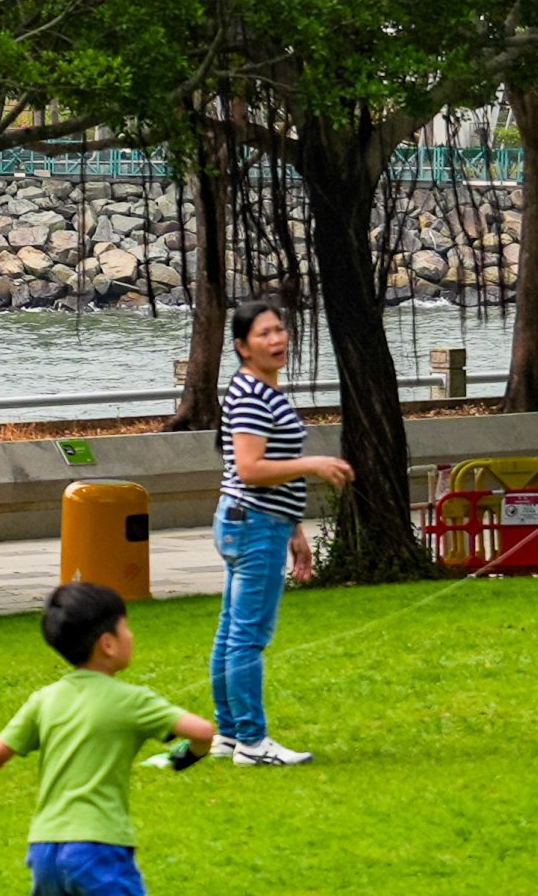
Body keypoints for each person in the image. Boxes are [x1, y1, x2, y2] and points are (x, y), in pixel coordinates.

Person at [0, 578, 215, 895]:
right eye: (127, 628)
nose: (132, 636)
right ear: (108, 644)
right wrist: (190, 754)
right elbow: (203, 731)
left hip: (44, 851)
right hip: (99, 846)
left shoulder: (46, 698)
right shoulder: (133, 700)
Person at [208, 301, 346, 767]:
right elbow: (250, 469)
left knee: (232, 632)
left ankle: (228, 735)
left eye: (280, 330)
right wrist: (313, 463)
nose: (277, 339)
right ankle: (251, 741)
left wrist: (294, 530)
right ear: (242, 347)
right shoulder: (251, 393)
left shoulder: (263, 390)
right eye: (264, 333)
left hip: (255, 522)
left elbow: (263, 475)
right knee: (247, 636)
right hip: (252, 523)